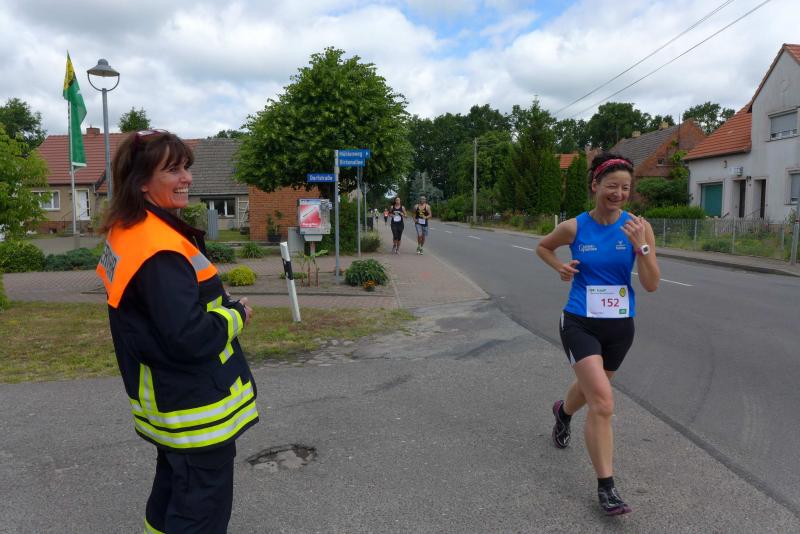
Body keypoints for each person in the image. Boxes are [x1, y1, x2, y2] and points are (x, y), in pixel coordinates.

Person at [95, 129, 259, 533]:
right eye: (173, 170)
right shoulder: (158, 248)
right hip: (194, 407)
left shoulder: (128, 231)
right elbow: (188, 336)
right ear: (142, 182)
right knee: (200, 514)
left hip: (166, 401)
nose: (187, 178)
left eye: (186, 167)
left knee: (171, 495)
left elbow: (154, 316)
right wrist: (236, 315)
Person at [535, 152, 659, 516]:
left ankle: (563, 412)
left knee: (592, 390)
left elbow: (651, 284)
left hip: (620, 326)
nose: (618, 193)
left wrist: (642, 247)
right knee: (603, 401)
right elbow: (542, 246)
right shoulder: (575, 227)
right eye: (611, 186)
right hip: (580, 321)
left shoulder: (638, 228)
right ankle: (607, 488)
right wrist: (560, 267)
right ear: (595, 185)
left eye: (625, 188)